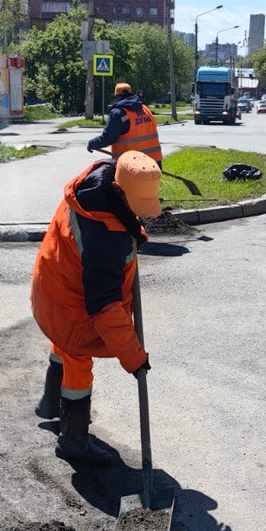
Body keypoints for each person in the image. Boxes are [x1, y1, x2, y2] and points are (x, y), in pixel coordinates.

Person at [30, 150, 162, 465]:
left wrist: (133, 231)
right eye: (138, 208)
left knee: (62, 341)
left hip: (51, 285)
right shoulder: (105, 240)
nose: (141, 214)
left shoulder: (94, 186)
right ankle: (73, 440)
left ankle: (50, 404)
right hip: (69, 302)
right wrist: (135, 359)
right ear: (120, 191)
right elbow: (107, 312)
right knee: (76, 354)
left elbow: (120, 219)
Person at [87, 82, 162, 162]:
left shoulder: (118, 113)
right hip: (154, 163)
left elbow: (108, 137)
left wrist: (92, 144)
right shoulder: (145, 109)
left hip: (131, 166)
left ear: (117, 96)